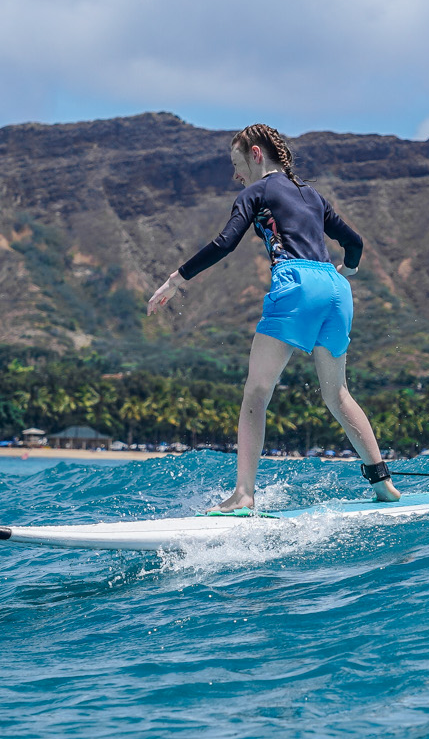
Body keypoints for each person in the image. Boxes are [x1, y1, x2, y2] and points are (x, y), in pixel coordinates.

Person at [146, 124, 401, 512]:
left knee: (257, 391)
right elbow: (355, 243)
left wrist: (175, 280)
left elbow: (223, 242)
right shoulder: (313, 195)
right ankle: (382, 482)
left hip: (296, 282)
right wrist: (345, 272)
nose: (236, 175)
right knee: (337, 394)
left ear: (255, 153)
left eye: (236, 163)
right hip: (335, 290)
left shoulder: (257, 191)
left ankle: (244, 494)